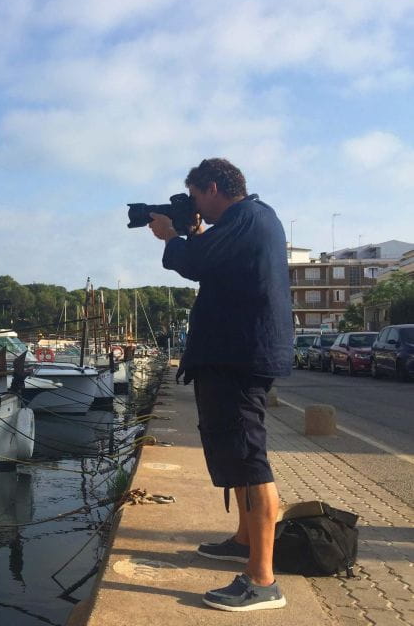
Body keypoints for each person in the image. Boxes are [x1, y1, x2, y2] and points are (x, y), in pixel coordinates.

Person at [148, 158, 293, 612]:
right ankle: (243, 540)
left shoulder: (246, 217)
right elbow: (212, 261)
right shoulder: (249, 220)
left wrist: (173, 236)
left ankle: (262, 581)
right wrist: (189, 232)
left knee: (249, 458)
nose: (195, 208)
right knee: (234, 449)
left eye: (195, 198)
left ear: (213, 188)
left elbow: (196, 263)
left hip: (239, 356)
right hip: (234, 353)